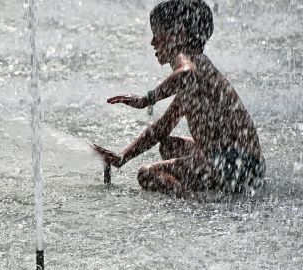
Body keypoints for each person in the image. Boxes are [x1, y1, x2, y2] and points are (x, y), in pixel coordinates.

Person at [92, 0, 265, 197]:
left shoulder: (188, 60)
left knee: (147, 174)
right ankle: (203, 192)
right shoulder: (202, 72)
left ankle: (197, 206)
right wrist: (121, 157)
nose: (153, 42)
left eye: (157, 34)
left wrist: (146, 100)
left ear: (178, 33)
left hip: (233, 164)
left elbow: (185, 73)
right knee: (168, 145)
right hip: (250, 167)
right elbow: (161, 129)